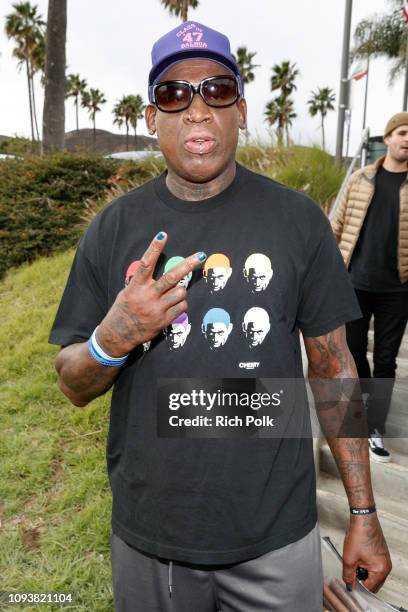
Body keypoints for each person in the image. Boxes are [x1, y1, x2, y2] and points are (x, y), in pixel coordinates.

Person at [49, 21, 391, 612]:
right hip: (153, 541)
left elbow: (336, 370)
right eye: (174, 94)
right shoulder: (112, 228)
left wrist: (363, 512)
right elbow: (73, 383)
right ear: (153, 117)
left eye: (216, 90)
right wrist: (113, 339)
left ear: (241, 109)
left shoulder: (297, 221)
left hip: (277, 539)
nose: (197, 109)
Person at [331, 112, 408, 463]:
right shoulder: (361, 179)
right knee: (354, 350)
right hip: (355, 283)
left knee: (387, 360)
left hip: (398, 289)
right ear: (389, 137)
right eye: (403, 133)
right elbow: (337, 225)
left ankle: (374, 427)